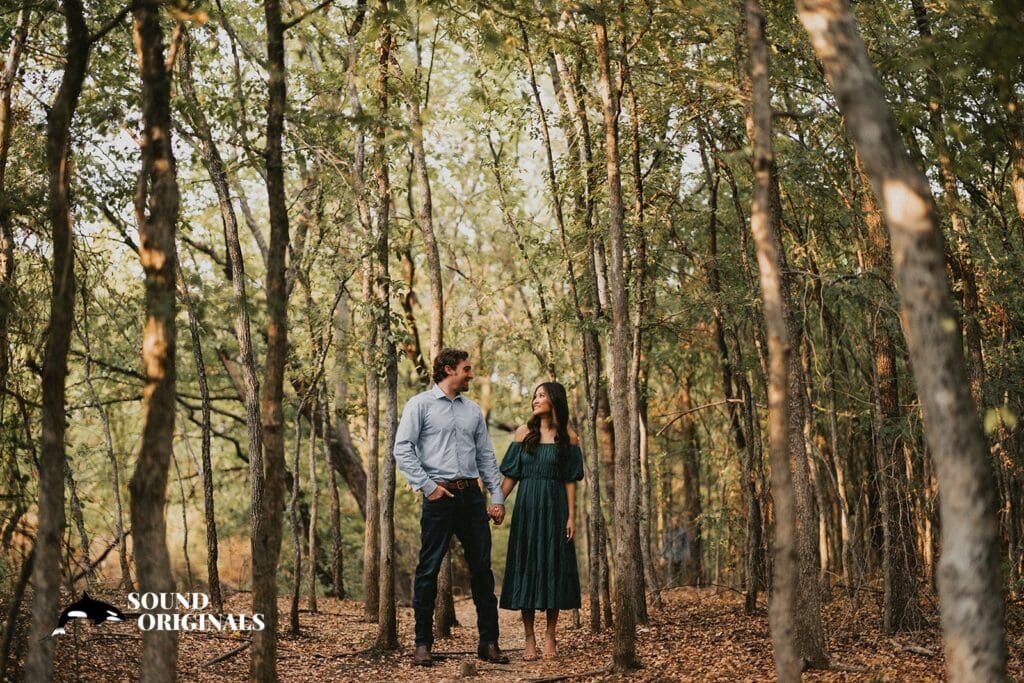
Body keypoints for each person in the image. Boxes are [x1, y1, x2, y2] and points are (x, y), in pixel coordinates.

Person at [393, 348, 509, 667]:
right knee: (428, 570)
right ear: (448, 370)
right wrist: (428, 487)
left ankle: (489, 642)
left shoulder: (473, 411)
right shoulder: (420, 405)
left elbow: (486, 456)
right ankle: (422, 645)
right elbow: (402, 449)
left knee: (482, 570)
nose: (471, 374)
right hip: (439, 496)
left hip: (472, 496)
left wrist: (496, 498)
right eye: (466, 369)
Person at [498, 381, 584, 660]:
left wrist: (571, 516)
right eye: (534, 396)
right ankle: (529, 639)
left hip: (555, 508)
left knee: (553, 567)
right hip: (527, 509)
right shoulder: (523, 434)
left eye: (541, 395)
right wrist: (497, 502)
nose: (535, 400)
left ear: (555, 400)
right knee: (527, 566)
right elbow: (511, 475)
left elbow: (570, 480)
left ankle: (550, 636)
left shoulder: (568, 438)